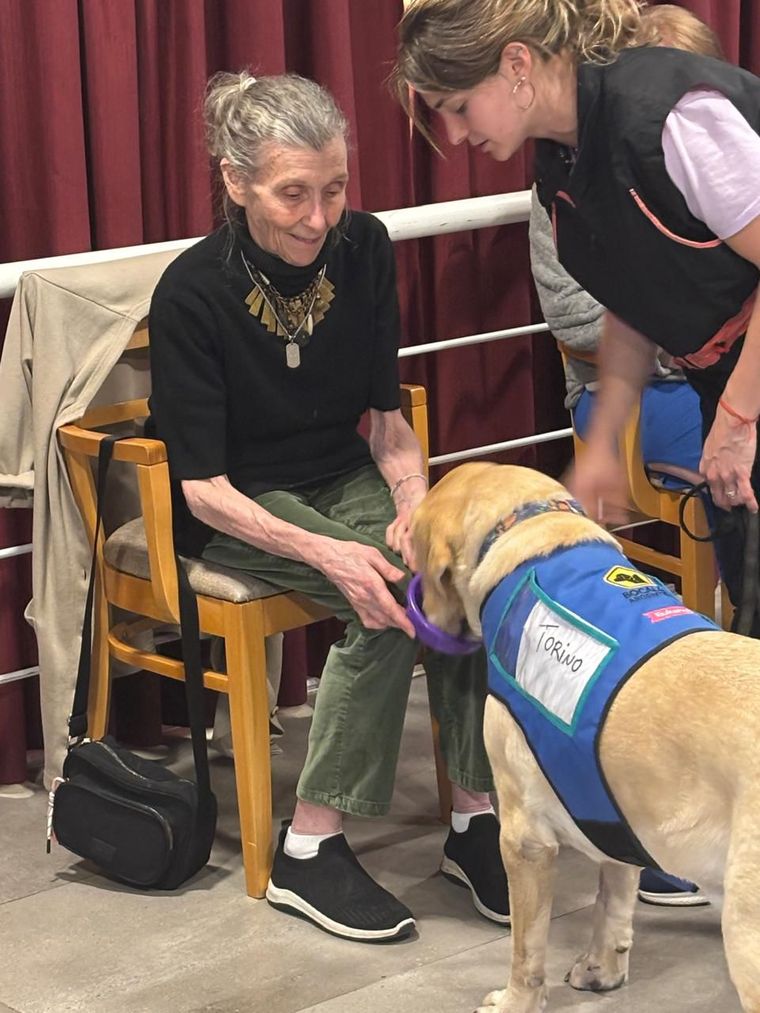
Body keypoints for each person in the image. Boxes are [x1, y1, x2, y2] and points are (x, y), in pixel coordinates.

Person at [394, 0, 760, 904]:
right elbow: (635, 299)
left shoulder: (667, 112)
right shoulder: (562, 164)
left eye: (456, 104)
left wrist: (742, 418)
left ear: (517, 66)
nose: (454, 130)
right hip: (727, 369)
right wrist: (602, 443)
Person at [148, 70, 508, 943]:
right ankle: (310, 849)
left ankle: (473, 820)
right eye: (293, 194)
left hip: (337, 468)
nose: (318, 217)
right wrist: (334, 553)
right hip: (239, 499)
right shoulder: (192, 293)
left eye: (335, 188)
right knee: (385, 600)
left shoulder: (363, 247)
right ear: (235, 182)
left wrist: (416, 505)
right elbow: (202, 487)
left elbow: (387, 421)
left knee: (451, 571)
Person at [529, 5, 725, 492]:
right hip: (634, 386)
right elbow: (574, 316)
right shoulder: (563, 183)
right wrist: (683, 339)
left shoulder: (724, 166)